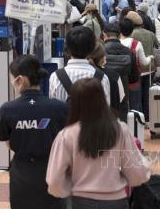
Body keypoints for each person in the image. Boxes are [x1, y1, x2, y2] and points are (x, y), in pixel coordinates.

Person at [46, 78, 150, 209]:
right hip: (116, 202)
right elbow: (137, 173)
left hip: (80, 202)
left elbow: (54, 181)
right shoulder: (119, 129)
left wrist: (69, 189)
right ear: (103, 99)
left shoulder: (66, 135)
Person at [0, 55, 68, 209]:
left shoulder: (7, 109)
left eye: (12, 79)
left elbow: (9, 143)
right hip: (53, 172)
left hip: (21, 174)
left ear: (20, 80)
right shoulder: (60, 108)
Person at [49, 26, 111, 105]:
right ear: (92, 48)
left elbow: (54, 110)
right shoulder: (102, 78)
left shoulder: (55, 77)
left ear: (67, 48)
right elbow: (105, 110)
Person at [127, 11, 160, 123]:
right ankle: (148, 117)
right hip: (150, 68)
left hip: (138, 69)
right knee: (148, 95)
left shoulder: (132, 35)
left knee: (137, 96)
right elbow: (159, 47)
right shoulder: (151, 33)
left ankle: (140, 119)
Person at [119, 19, 154, 112]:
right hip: (134, 79)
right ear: (132, 30)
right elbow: (144, 62)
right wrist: (150, 57)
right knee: (135, 104)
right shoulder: (136, 44)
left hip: (120, 79)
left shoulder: (117, 43)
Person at [88, 42, 125, 118]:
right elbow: (121, 100)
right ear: (103, 57)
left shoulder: (82, 73)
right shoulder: (114, 75)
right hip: (109, 123)